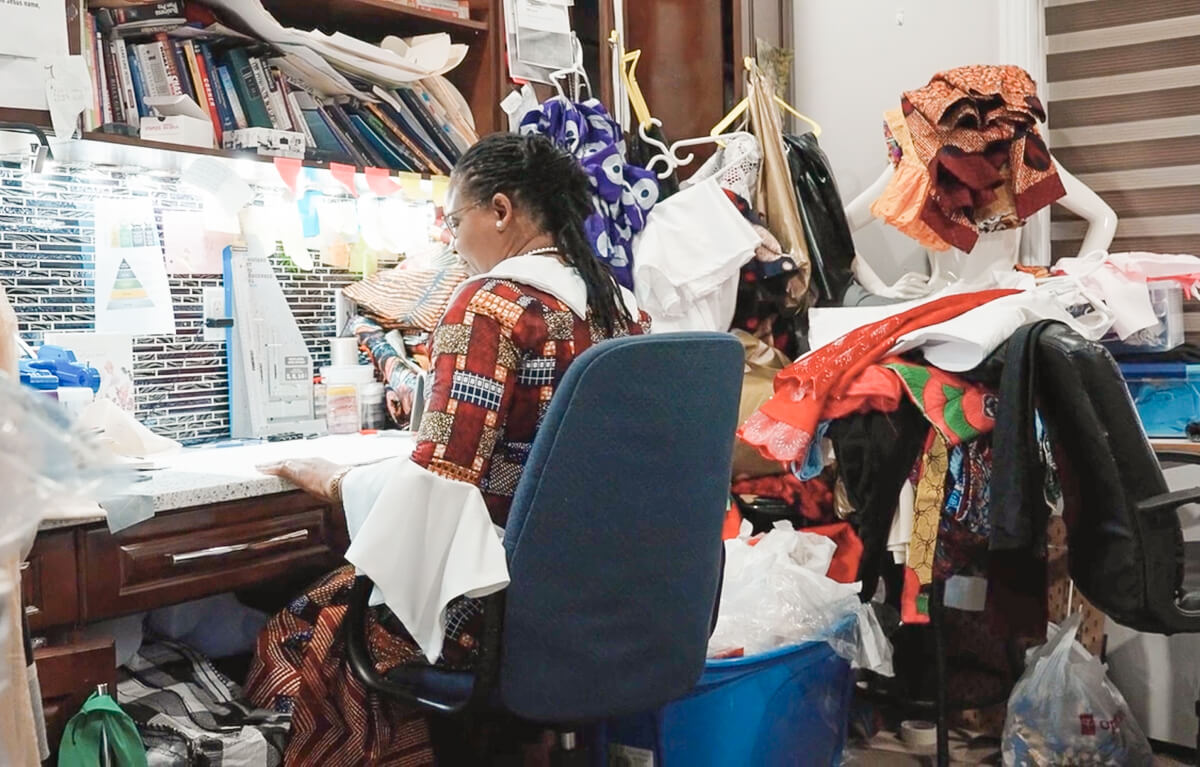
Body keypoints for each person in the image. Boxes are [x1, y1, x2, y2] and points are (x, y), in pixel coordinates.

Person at [246, 132, 650, 766]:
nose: (451, 240)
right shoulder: (620, 309)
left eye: (453, 219)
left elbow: (442, 477)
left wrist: (333, 481)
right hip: (609, 599)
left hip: (505, 606)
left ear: (499, 210)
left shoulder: (490, 304)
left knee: (302, 632)